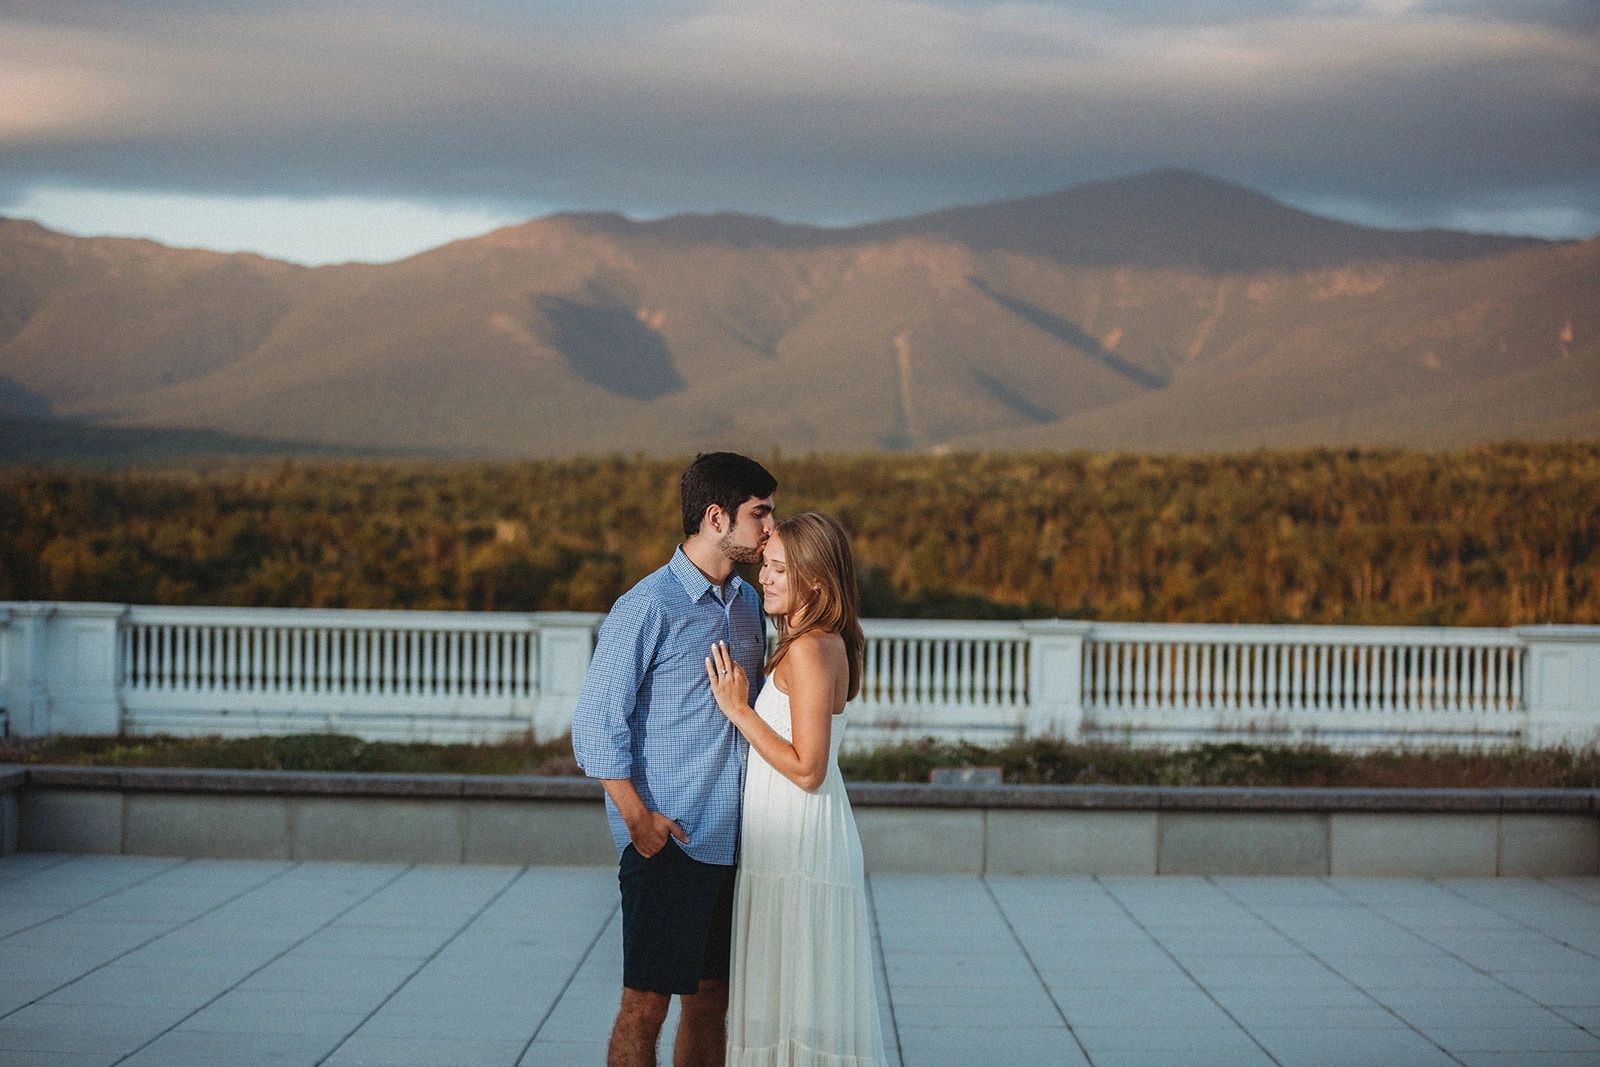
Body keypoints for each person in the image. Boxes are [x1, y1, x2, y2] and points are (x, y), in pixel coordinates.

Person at [572, 452, 778, 1067]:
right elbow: (594, 722)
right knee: (646, 1004)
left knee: (711, 999)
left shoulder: (745, 605)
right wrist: (638, 819)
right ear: (717, 518)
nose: (771, 527)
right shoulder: (648, 605)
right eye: (759, 514)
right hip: (670, 839)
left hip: (732, 841)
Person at [705, 511, 889, 1066]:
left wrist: (739, 711)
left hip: (798, 840)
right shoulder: (819, 641)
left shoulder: (810, 649)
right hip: (798, 835)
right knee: (794, 1001)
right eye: (765, 564)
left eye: (779, 569)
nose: (764, 577)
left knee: (793, 1002)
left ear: (816, 580)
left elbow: (808, 767)